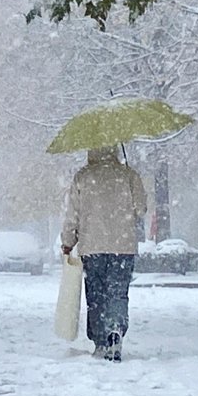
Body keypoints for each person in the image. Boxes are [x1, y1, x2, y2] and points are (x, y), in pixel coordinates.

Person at [60, 146, 147, 362]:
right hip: (123, 247)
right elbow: (141, 209)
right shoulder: (128, 175)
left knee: (96, 294)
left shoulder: (83, 177)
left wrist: (68, 242)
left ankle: (100, 340)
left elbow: (73, 215)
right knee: (117, 293)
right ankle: (114, 331)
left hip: (92, 247)